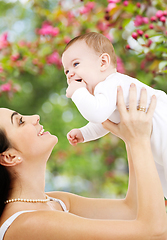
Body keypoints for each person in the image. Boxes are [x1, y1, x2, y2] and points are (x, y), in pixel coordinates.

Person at [0, 85, 167, 239]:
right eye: (20, 121)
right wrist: (139, 140)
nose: (35, 117)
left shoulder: (55, 201)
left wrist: (131, 135)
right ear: (10, 157)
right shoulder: (28, 223)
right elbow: (153, 233)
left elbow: (132, 210)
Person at [62, 32, 167, 198]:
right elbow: (103, 121)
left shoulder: (111, 83)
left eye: (76, 64)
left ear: (103, 62)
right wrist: (84, 133)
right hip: (156, 149)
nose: (69, 74)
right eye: (66, 70)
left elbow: (97, 114)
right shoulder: (106, 95)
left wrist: (77, 93)